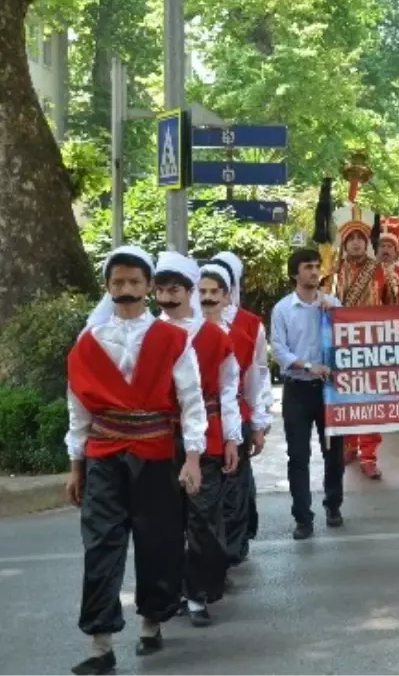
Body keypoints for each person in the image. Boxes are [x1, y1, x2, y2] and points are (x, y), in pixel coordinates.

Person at [65, 246, 206, 675]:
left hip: (156, 453)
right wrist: (76, 466)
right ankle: (100, 643)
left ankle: (151, 621)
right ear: (108, 287)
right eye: (118, 282)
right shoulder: (88, 343)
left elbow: (192, 400)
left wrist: (194, 458)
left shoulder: (173, 339)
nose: (126, 290)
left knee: (157, 541)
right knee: (101, 545)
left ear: (148, 287)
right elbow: (78, 410)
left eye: (134, 282)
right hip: (104, 456)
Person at [154, 252, 242, 625]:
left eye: (175, 289)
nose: (168, 297)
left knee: (203, 520)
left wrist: (233, 438)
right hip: (156, 439)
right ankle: (175, 592)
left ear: (189, 291)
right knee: (163, 523)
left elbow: (228, 388)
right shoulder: (146, 334)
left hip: (204, 437)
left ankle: (198, 588)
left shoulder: (214, 336)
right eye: (160, 289)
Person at [270, 248, 345, 541]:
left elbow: (348, 341)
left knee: (334, 452)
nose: (314, 272)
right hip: (298, 389)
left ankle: (333, 505)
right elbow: (279, 351)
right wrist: (309, 366)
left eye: (316, 266)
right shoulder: (283, 309)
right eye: (307, 267)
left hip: (328, 390)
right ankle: (303, 517)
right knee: (298, 456)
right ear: (294, 274)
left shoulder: (332, 304)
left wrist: (334, 316)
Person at [208, 250, 271, 567]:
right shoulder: (184, 327)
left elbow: (256, 375)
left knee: (236, 488)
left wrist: (260, 421)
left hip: (238, 418)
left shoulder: (249, 326)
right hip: (200, 426)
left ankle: (233, 548)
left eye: (218, 288)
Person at [332, 203, 399, 479]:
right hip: (342, 345)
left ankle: (369, 454)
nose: (357, 243)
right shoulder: (333, 272)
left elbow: (394, 308)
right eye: (352, 239)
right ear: (345, 242)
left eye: (361, 238)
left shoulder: (381, 271)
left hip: (373, 345)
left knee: (371, 400)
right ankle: (348, 445)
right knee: (346, 398)